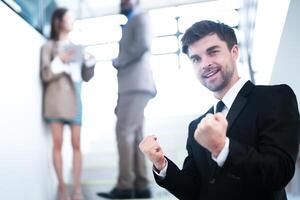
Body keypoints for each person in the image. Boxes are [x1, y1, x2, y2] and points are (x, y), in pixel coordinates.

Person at [139, 20, 300, 200]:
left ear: (234, 52)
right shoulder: (196, 127)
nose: (204, 64)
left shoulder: (274, 97)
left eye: (213, 52)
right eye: (196, 59)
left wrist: (222, 148)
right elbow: (192, 191)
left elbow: (279, 172)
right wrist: (161, 164)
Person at [97, 0, 156, 199]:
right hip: (134, 87)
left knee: (123, 132)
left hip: (135, 85)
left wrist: (119, 60)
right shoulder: (133, 19)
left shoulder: (140, 17)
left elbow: (143, 44)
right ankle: (141, 185)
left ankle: (124, 186)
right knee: (136, 135)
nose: (122, 2)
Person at [40, 7, 95, 200]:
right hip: (55, 100)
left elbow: (86, 77)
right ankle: (62, 189)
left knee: (76, 144)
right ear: (59, 22)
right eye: (68, 18)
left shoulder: (76, 47)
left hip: (75, 97)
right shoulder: (48, 46)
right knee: (57, 143)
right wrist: (60, 60)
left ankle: (77, 189)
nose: (72, 22)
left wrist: (89, 61)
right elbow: (46, 74)